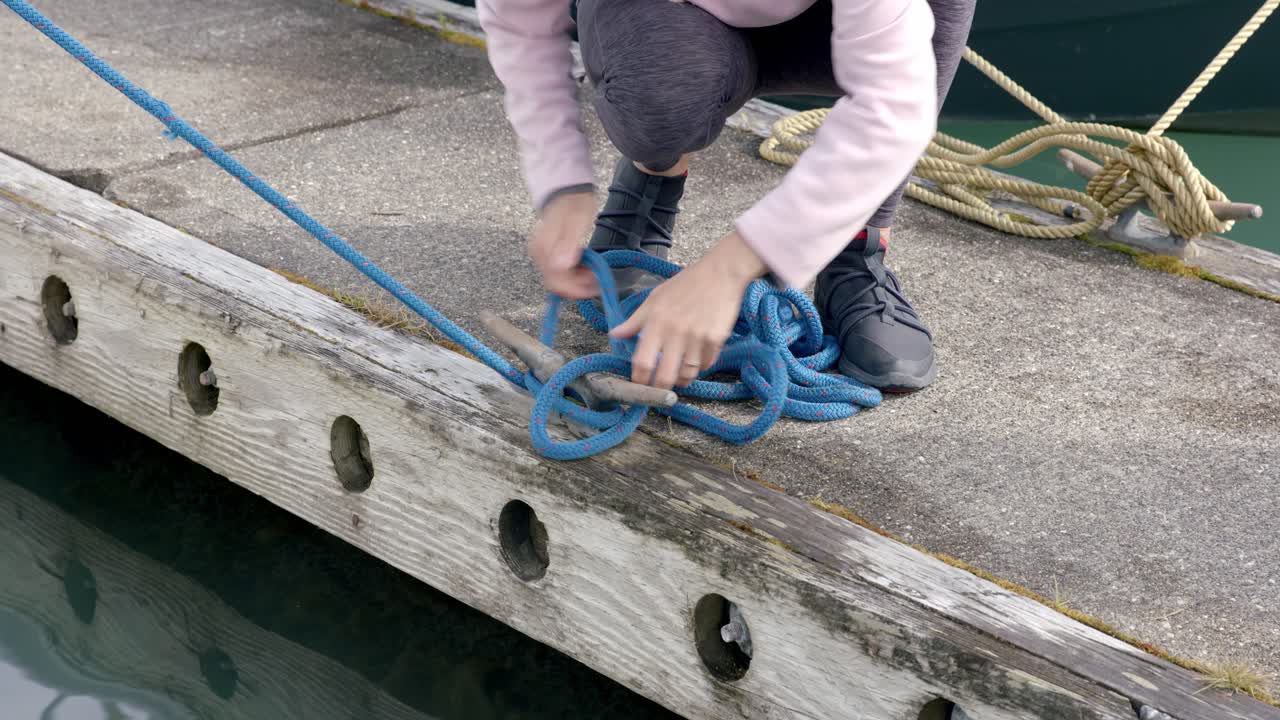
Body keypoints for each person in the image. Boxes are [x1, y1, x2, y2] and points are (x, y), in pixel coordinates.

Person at [476, 0, 976, 393]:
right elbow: (520, 19)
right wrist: (561, 179)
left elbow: (895, 101)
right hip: (677, 23)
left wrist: (727, 272)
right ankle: (652, 178)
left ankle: (857, 245)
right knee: (659, 91)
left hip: (822, 23)